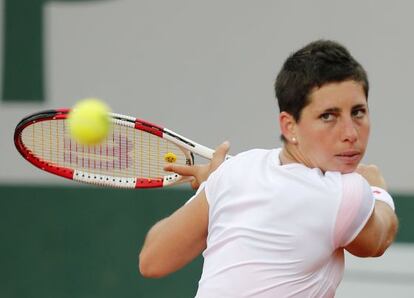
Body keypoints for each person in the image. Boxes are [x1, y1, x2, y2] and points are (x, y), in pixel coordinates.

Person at [138, 40, 398, 297]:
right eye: (328, 116)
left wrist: (212, 188)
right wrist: (378, 191)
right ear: (289, 126)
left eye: (358, 112)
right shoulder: (343, 193)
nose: (351, 133)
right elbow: (378, 240)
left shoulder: (236, 171)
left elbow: (153, 259)